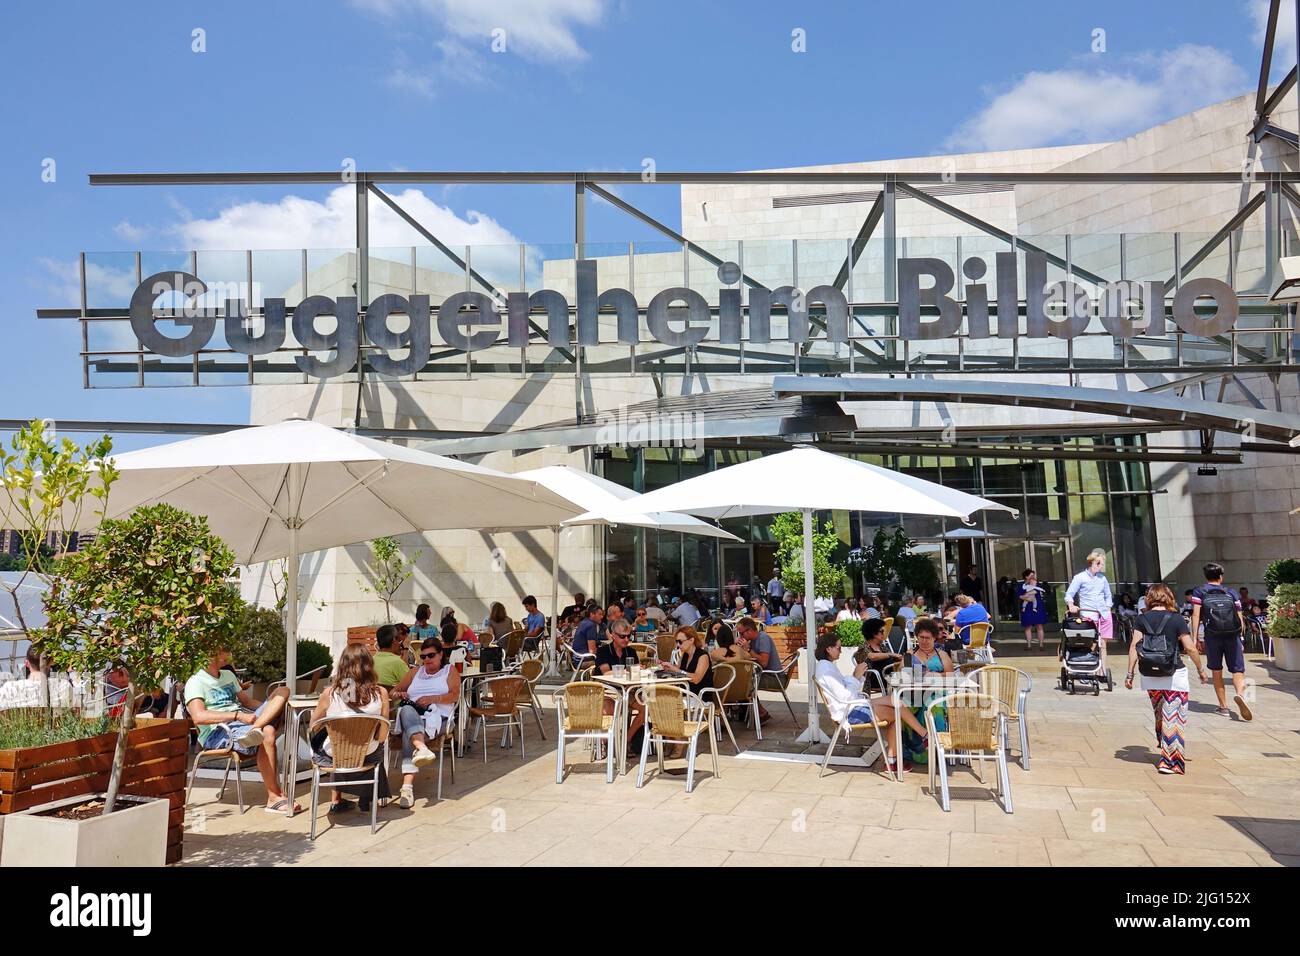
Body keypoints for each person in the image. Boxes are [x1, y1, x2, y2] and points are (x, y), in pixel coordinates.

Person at [184, 648, 297, 813]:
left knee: (283, 691)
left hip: (245, 725)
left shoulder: (229, 676)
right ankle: (274, 798)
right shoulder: (195, 682)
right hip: (218, 733)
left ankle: (256, 729)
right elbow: (199, 717)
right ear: (210, 654)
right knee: (268, 732)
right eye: (224, 650)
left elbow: (248, 702)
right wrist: (237, 716)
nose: (229, 654)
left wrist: (273, 708)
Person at [814, 631, 928, 775]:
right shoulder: (825, 669)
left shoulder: (827, 666)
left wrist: (858, 676)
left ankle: (922, 737)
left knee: (894, 699)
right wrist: (856, 676)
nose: (841, 651)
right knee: (896, 713)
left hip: (854, 704)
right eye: (838, 648)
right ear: (828, 649)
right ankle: (898, 757)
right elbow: (845, 696)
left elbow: (845, 691)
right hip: (849, 712)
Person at [1124, 584, 1208, 775]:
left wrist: (1130, 674)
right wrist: (1200, 669)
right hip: (1174, 674)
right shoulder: (1177, 619)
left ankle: (1167, 748)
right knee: (1175, 717)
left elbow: (1133, 647)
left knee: (1161, 714)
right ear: (1168, 597)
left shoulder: (1141, 619)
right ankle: (1170, 761)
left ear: (1150, 598)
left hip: (1150, 675)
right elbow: (1190, 647)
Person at [308, 644, 391, 813]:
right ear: (369, 665)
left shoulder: (329, 694)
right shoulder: (381, 693)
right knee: (376, 747)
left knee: (336, 743)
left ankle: (337, 800)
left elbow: (313, 727)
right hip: (367, 753)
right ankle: (366, 797)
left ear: (342, 665)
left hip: (334, 756)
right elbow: (382, 736)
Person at [390, 639, 459, 808]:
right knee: (406, 711)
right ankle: (421, 748)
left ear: (441, 654)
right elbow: (393, 692)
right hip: (414, 715)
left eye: (431, 655)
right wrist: (401, 694)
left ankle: (407, 787)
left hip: (439, 717)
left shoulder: (449, 671)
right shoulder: (415, 672)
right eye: (423, 656)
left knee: (409, 731)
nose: (427, 660)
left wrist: (433, 698)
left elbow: (455, 696)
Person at [1189, 563, 1252, 721]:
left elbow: (1196, 616)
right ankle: (1240, 695)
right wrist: (1241, 636)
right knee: (1238, 670)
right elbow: (1239, 616)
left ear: (1206, 576)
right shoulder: (1231, 592)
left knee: (1216, 670)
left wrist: (1195, 637)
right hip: (1233, 635)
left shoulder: (1200, 591)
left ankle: (1223, 707)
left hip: (1212, 636)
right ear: (1221, 576)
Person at [901, 618, 953, 765]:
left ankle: (937, 749)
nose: (924, 641)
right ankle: (911, 751)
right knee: (902, 708)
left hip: (936, 693)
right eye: (921, 637)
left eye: (927, 638)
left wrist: (937, 675)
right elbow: (902, 675)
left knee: (934, 706)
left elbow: (951, 676)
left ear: (934, 638)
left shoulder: (942, 655)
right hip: (914, 694)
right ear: (917, 637)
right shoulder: (910, 654)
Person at [592, 620, 645, 753]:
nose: (626, 639)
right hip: (608, 691)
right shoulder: (603, 651)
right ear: (613, 635)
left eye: (629, 636)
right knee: (610, 711)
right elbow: (606, 672)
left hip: (627, 691)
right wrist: (628, 671)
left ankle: (626, 739)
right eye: (623, 636)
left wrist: (639, 670)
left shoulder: (631, 651)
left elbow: (636, 672)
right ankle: (606, 743)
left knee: (647, 709)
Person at [1066, 549, 1114, 667]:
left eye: (1102, 564)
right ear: (1091, 563)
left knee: (1102, 643)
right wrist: (1071, 605)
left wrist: (1108, 607)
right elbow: (1069, 594)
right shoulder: (1080, 578)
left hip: (1103, 614)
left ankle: (1101, 670)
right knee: (1089, 642)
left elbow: (1108, 595)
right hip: (1089, 615)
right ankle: (1088, 665)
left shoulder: (1102, 579)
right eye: (1099, 563)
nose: (1101, 566)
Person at [0, 647, 75, 710]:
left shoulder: (8, 688)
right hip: (55, 727)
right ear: (51, 662)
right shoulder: (63, 686)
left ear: (26, 663)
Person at [734, 616, 777, 723]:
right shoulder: (751, 641)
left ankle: (761, 712)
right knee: (739, 679)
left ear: (749, 631)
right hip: (761, 674)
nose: (740, 636)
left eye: (741, 633)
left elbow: (763, 662)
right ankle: (747, 712)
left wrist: (748, 649)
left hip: (774, 677)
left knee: (744, 683)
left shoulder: (763, 638)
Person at [660, 626, 714, 696]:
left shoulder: (703, 656)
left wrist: (676, 670)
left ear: (691, 640)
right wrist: (668, 668)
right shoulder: (685, 654)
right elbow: (678, 670)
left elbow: (696, 679)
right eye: (676, 642)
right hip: (685, 694)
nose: (678, 645)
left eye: (680, 641)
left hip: (699, 698)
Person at [858, 617, 902, 690]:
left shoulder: (881, 646)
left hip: (887, 677)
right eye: (881, 631)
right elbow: (872, 656)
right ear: (873, 633)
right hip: (873, 678)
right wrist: (891, 654)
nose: (884, 634)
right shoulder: (863, 646)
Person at [373, 623, 412, 687]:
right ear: (394, 640)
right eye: (399, 640)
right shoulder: (397, 662)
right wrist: (405, 649)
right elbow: (411, 684)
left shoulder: (371, 660)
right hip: (394, 696)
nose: (400, 644)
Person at [1017, 568, 1048, 650]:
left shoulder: (1038, 585)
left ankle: (1041, 645)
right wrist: (1025, 597)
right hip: (1027, 608)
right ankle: (1029, 645)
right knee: (1028, 626)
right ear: (1026, 577)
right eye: (1031, 575)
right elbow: (1019, 595)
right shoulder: (1021, 586)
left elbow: (1039, 593)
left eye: (1034, 575)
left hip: (1038, 607)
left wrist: (1033, 587)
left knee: (1039, 626)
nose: (1033, 577)